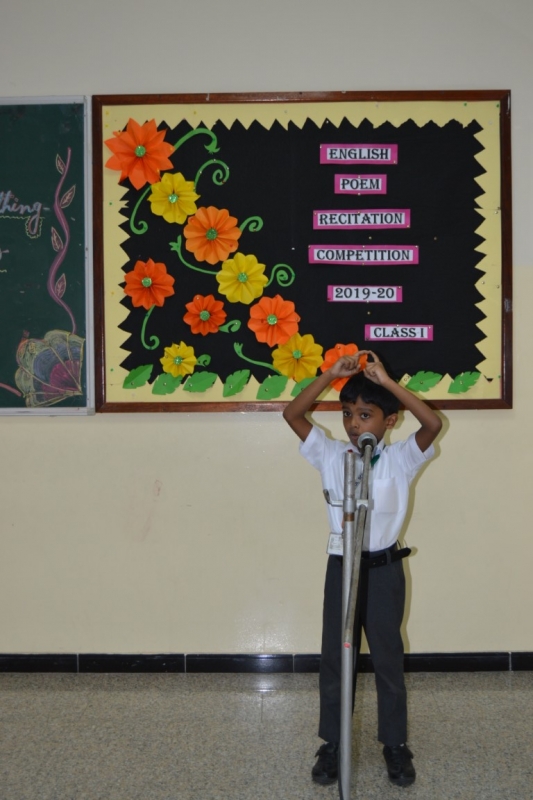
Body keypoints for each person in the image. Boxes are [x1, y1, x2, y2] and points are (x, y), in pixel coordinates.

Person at [283, 350, 442, 788]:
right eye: (348, 414)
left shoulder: (400, 459)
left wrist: (387, 383)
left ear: (389, 421)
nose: (354, 425)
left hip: (383, 570)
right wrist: (329, 375)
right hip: (342, 567)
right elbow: (292, 414)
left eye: (366, 415)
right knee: (336, 659)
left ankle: (395, 744)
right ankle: (333, 743)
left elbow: (432, 425)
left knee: (388, 659)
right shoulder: (331, 455)